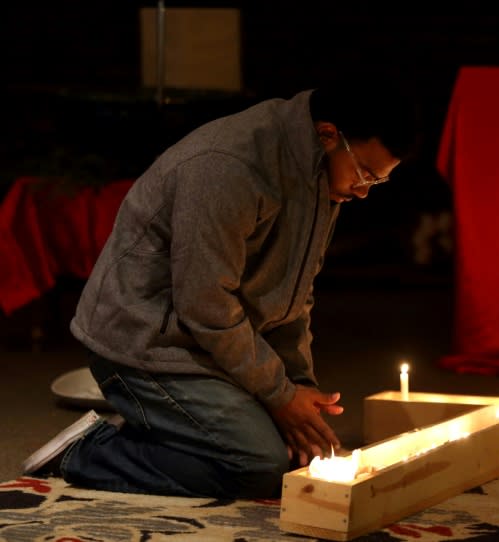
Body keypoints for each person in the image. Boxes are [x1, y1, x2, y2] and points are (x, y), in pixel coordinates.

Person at [21, 84, 421, 499]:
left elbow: (295, 300)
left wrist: (300, 389)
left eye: (379, 181)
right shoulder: (228, 165)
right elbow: (204, 305)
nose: (363, 191)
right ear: (326, 134)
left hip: (211, 343)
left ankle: (172, 430)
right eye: (364, 174)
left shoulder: (320, 173)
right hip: (144, 342)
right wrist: (280, 396)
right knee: (258, 464)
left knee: (294, 454)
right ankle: (89, 452)